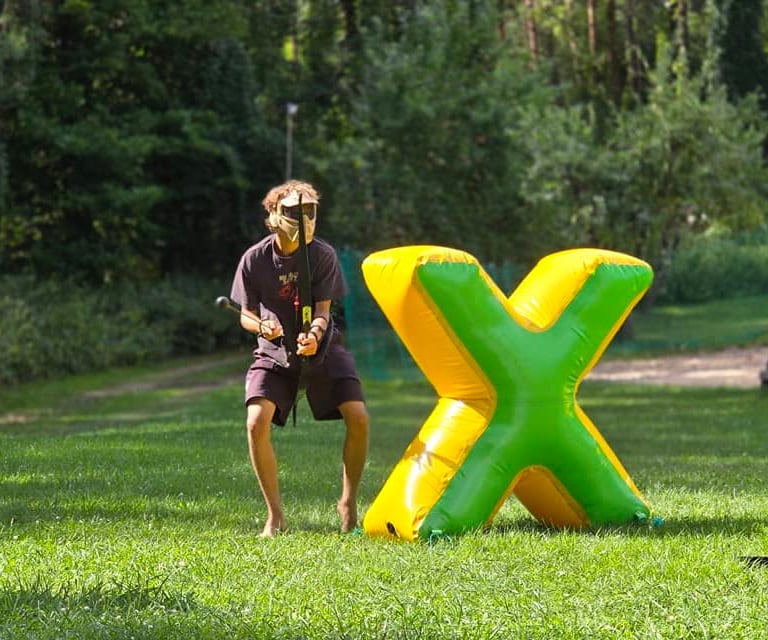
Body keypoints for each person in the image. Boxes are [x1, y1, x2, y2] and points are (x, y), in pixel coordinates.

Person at [229, 179, 369, 537]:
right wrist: (263, 326)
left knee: (359, 417)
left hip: (324, 350)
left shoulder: (322, 255)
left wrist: (315, 335)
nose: (304, 218)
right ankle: (275, 516)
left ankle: (349, 502)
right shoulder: (255, 259)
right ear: (274, 215)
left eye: (310, 211)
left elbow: (323, 312)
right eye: (294, 211)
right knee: (255, 422)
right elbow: (245, 314)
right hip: (274, 353)